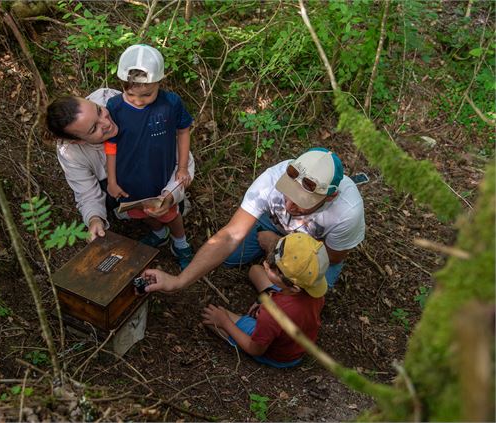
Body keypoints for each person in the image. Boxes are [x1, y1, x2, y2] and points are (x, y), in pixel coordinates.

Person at [142, 147, 365, 292]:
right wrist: (178, 281)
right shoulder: (272, 178)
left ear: (330, 195)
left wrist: (276, 246)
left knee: (295, 293)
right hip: (273, 223)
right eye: (288, 194)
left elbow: (332, 257)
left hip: (314, 250)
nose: (289, 205)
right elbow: (230, 236)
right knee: (229, 258)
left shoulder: (347, 211)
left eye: (302, 201)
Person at [46, 88, 195, 242]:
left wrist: (171, 194)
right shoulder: (70, 152)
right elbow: (86, 193)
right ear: (78, 141)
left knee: (171, 211)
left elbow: (182, 160)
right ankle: (154, 229)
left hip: (157, 173)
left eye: (98, 110)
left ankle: (179, 219)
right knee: (131, 204)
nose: (106, 123)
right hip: (124, 185)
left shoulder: (122, 104)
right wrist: (94, 219)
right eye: (93, 129)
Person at [104, 44, 194, 270]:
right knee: (141, 211)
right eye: (131, 94)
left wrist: (182, 168)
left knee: (168, 211)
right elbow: (111, 144)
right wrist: (113, 181)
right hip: (129, 177)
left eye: (146, 94)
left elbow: (183, 130)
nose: (138, 100)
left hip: (160, 175)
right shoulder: (114, 106)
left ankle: (180, 243)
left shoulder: (171, 103)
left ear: (159, 82)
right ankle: (159, 233)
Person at [202, 232, 327, 368]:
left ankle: (237, 325)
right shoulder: (315, 291)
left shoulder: (272, 314)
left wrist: (224, 322)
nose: (266, 263)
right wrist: (268, 294)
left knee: (211, 316)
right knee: (255, 270)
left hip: (279, 355)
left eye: (274, 269)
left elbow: (254, 349)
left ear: (295, 288)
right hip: (295, 338)